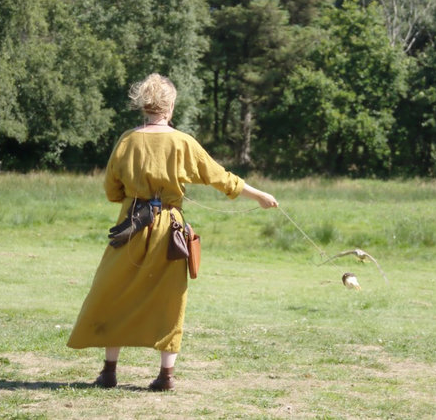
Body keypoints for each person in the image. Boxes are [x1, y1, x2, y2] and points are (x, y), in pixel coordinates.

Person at [67, 73, 278, 391]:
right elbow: (220, 177)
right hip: (170, 230)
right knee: (170, 300)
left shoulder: (127, 140)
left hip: (131, 225)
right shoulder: (182, 142)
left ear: (144, 105)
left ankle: (109, 372)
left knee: (113, 293)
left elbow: (112, 190)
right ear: (170, 106)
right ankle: (166, 377)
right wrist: (259, 195)